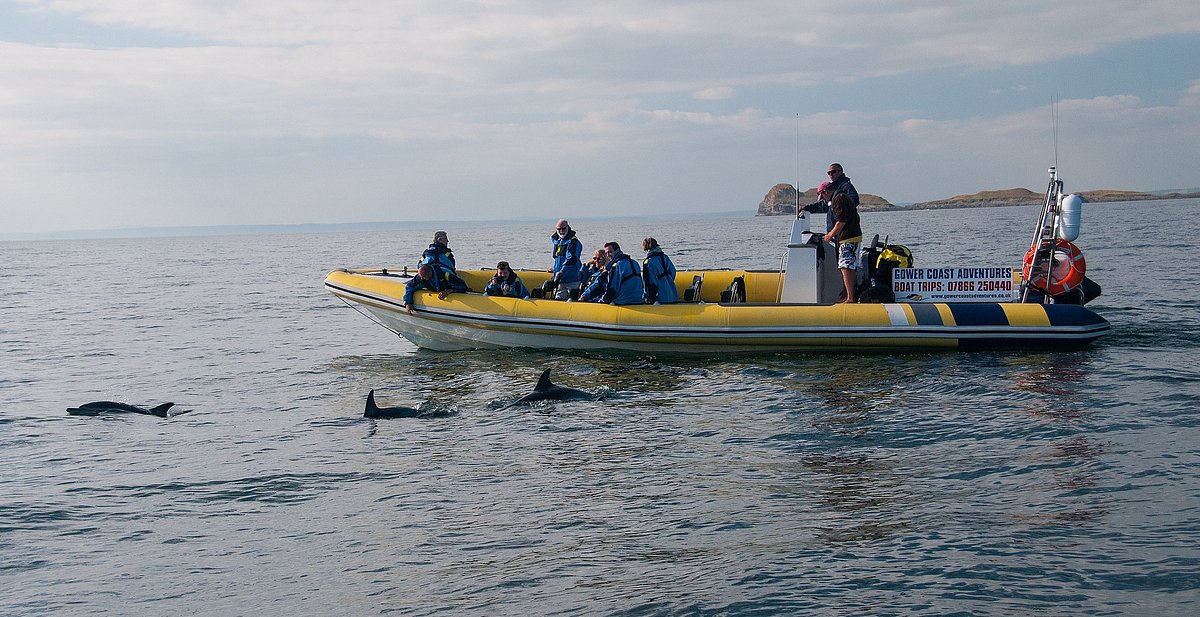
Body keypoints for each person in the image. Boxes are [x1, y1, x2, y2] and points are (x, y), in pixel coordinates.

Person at [825, 192, 863, 303]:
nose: (823, 199)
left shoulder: (838, 199)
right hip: (855, 236)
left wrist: (830, 235)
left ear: (826, 192)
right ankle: (851, 296)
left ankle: (850, 298)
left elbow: (841, 221)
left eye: (822, 196)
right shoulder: (845, 198)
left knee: (845, 267)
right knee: (850, 267)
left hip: (847, 238)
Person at [403, 264, 469, 314]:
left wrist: (448, 291)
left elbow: (463, 286)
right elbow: (410, 286)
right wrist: (408, 302)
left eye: (423, 277)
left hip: (449, 288)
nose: (421, 279)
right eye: (421, 276)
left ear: (430, 274)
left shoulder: (445, 275)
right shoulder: (420, 277)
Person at [549, 219, 584, 300]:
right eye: (559, 229)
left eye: (563, 228)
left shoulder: (573, 241)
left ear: (567, 227)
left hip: (573, 279)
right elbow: (557, 258)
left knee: (573, 300)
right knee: (559, 299)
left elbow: (571, 259)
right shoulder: (557, 242)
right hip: (560, 280)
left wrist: (562, 271)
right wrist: (555, 270)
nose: (561, 231)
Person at [641, 237, 679, 304]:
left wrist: (648, 297)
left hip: (660, 298)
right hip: (672, 295)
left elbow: (649, 282)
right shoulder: (665, 257)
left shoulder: (648, 262)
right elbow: (673, 272)